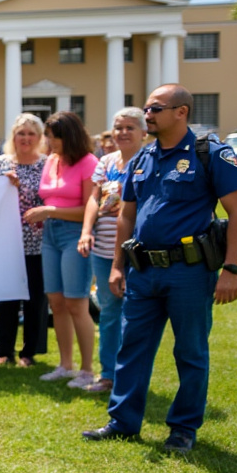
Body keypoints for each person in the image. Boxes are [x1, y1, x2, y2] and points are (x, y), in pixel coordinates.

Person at [84, 84, 237, 453]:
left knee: (190, 351)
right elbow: (127, 216)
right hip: (143, 271)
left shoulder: (211, 154)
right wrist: (116, 267)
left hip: (189, 271)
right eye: (146, 109)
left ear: (181, 112)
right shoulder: (142, 159)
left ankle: (183, 428)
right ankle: (123, 422)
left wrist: (231, 269)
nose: (148, 115)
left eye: (156, 109)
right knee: (132, 348)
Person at [77, 108, 146, 394]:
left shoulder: (149, 161)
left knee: (136, 314)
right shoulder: (106, 161)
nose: (123, 133)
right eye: (118, 127)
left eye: (130, 127)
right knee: (108, 311)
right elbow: (94, 198)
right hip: (104, 250)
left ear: (144, 133)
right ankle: (108, 375)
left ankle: (130, 375)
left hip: (137, 250)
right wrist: (85, 231)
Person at [31, 111, 99, 388]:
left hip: (75, 236)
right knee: (56, 303)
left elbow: (88, 209)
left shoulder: (88, 162)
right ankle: (65, 365)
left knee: (76, 302)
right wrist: (46, 214)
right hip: (51, 235)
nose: (50, 141)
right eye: (48, 135)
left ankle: (86, 370)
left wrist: (49, 210)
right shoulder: (51, 160)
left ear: (69, 136)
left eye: (54, 136)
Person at [0, 114, 50, 366]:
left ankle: (29, 352)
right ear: (12, 136)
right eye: (20, 133)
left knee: (35, 299)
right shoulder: (0, 164)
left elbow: (52, 197)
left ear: (39, 138)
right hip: (7, 242)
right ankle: (4, 350)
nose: (25, 138)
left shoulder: (47, 164)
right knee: (6, 297)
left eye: (31, 134)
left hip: (38, 242)